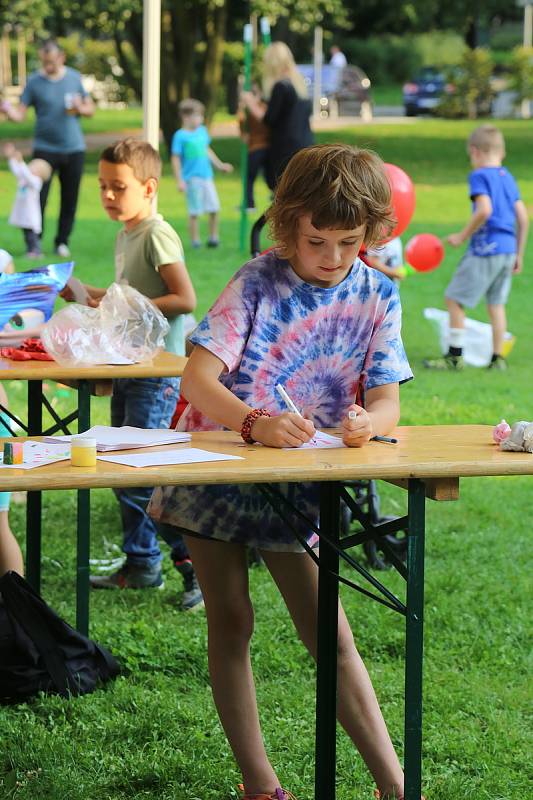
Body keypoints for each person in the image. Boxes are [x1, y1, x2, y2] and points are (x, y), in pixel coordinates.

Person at [148, 143, 415, 800]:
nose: (329, 257)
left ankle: (395, 787)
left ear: (373, 233)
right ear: (287, 224)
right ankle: (260, 784)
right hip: (212, 475)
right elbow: (198, 377)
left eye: (347, 242)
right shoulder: (257, 280)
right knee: (231, 620)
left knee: (328, 630)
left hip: (300, 485)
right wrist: (251, 422)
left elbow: (386, 400)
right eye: (315, 240)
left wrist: (368, 425)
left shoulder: (378, 293)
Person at [60, 138, 201, 610]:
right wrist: (84, 293)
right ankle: (142, 563)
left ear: (148, 187)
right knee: (125, 471)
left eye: (118, 186)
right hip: (128, 366)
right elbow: (126, 300)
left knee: (144, 477)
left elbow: (184, 299)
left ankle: (194, 567)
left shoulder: (156, 233)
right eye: (102, 186)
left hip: (157, 372)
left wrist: (120, 302)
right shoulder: (128, 233)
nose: (107, 195)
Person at [424, 124, 529, 371]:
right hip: (507, 250)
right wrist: (519, 253)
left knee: (454, 299)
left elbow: (484, 210)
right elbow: (523, 218)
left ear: (475, 151)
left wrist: (461, 236)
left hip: (486, 248)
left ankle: (454, 357)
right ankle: (497, 359)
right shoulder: (507, 176)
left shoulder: (480, 176)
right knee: (496, 305)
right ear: (501, 152)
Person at [1, 39, 95, 258]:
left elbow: (90, 109)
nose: (48, 67)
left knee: (70, 198)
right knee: (35, 196)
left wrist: (81, 107)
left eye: (51, 62)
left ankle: (62, 241)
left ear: (61, 57)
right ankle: (35, 244)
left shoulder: (74, 77)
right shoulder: (34, 82)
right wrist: (7, 108)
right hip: (44, 149)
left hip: (74, 148)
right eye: (44, 62)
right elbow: (20, 114)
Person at [242, 42, 313, 191]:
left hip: (284, 147)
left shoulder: (280, 86)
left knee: (280, 188)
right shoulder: (298, 82)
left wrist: (250, 103)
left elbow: (269, 119)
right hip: (305, 143)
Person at [171, 98, 233, 249]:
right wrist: (179, 180)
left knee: (214, 208)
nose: (201, 119)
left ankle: (213, 238)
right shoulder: (180, 136)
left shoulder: (202, 132)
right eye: (197, 116)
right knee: (195, 211)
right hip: (192, 179)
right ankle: (195, 241)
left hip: (207, 177)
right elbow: (175, 158)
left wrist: (219, 165)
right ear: (186, 117)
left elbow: (207, 150)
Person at [3, 143, 52, 258]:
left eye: (34, 167)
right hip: (23, 213)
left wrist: (21, 162)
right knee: (27, 234)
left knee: (32, 234)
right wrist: (11, 158)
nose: (30, 168)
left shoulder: (36, 182)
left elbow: (25, 173)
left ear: (40, 173)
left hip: (30, 214)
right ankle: (31, 250)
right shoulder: (25, 180)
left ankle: (36, 251)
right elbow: (18, 171)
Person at [0, 384, 24, 577]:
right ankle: (16, 603)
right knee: (1, 525)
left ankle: (15, 602)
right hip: (6, 445)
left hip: (5, 448)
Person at [237, 83, 270, 212]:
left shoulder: (256, 110)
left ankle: (250, 203)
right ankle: (249, 203)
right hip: (258, 147)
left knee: (251, 176)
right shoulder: (262, 108)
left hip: (258, 147)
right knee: (251, 176)